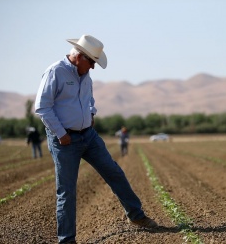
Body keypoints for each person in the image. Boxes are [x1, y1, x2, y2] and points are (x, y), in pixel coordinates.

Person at [35, 34, 157, 243]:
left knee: (114, 172)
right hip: (65, 140)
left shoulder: (85, 76)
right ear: (80, 56)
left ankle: (136, 216)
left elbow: (89, 100)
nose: (92, 67)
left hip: (88, 137)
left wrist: (90, 114)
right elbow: (42, 107)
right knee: (67, 191)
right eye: (91, 62)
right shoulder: (56, 72)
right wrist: (61, 134)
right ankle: (67, 240)